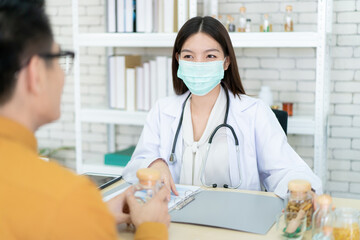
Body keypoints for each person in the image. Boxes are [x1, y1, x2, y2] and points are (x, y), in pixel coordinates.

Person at [0, 1, 169, 239]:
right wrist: (152, 225)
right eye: (60, 57)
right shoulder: (66, 197)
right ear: (35, 74)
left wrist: (96, 214)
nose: (62, 74)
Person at [123, 16, 322, 199]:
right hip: (172, 220)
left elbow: (286, 169)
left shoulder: (254, 112)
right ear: (178, 60)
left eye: (210, 56)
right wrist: (153, 163)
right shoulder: (162, 110)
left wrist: (304, 191)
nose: (198, 64)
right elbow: (135, 165)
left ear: (226, 62)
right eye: (189, 56)